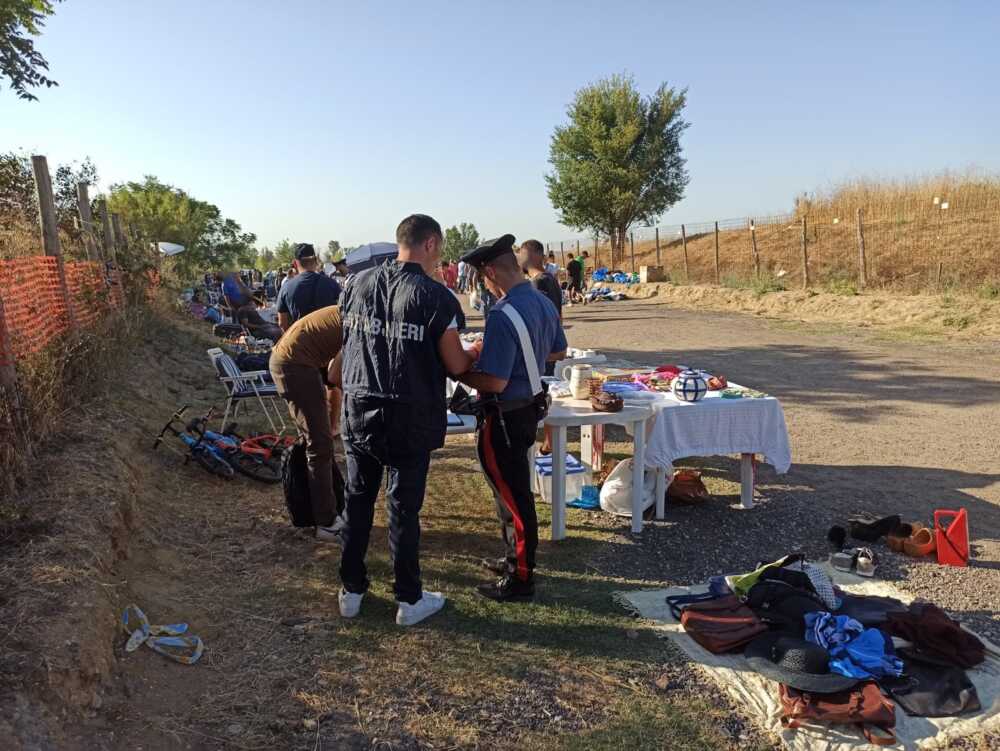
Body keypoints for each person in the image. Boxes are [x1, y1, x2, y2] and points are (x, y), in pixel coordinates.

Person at [337, 214, 476, 626]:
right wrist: (474, 353)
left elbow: (348, 345)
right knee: (402, 507)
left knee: (358, 500)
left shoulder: (356, 285)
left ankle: (351, 589)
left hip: (360, 407)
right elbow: (454, 363)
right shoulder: (436, 296)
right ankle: (409, 598)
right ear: (430, 244)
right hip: (408, 412)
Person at [457, 234, 567, 602]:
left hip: (503, 414)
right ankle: (512, 558)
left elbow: (494, 380)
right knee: (511, 491)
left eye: (482, 278)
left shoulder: (503, 314)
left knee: (515, 497)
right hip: (528, 408)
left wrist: (459, 371)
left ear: (490, 272)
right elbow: (557, 350)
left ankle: (521, 576)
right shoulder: (541, 301)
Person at [269, 306, 346, 542]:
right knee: (319, 444)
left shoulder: (355, 309)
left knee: (317, 441)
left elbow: (333, 382)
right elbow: (335, 377)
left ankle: (319, 506)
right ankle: (326, 522)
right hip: (295, 365)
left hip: (296, 361)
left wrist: (333, 420)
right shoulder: (363, 319)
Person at [276, 243, 342, 330]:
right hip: (330, 339)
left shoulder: (286, 288)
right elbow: (343, 312)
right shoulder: (331, 283)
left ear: (295, 264)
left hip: (302, 340)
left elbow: (282, 323)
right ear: (315, 261)